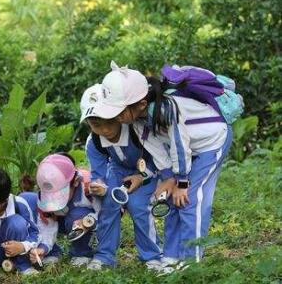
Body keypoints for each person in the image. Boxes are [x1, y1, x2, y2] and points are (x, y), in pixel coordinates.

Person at [99, 61, 233, 265]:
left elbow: (179, 145)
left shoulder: (166, 107)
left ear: (141, 104)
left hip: (211, 143)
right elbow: (157, 151)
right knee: (171, 201)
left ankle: (191, 262)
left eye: (118, 111)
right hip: (188, 151)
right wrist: (168, 177)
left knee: (190, 200)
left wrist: (181, 182)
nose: (114, 117)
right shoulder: (135, 120)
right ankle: (171, 257)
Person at [79, 84, 163, 271]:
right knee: (108, 204)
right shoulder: (94, 142)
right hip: (117, 173)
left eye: (108, 121)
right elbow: (98, 174)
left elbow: (158, 159)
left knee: (138, 206)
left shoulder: (138, 130)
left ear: (118, 115)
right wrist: (99, 185)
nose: (105, 129)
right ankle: (104, 255)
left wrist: (142, 176)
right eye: (96, 125)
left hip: (147, 173)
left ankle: (153, 256)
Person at [27, 153, 99, 268]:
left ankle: (83, 253)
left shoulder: (89, 187)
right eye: (51, 195)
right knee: (30, 204)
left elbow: (107, 214)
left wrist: (89, 221)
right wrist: (44, 248)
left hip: (86, 223)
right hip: (61, 222)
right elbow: (47, 226)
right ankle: (53, 251)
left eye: (60, 194)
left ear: (75, 182)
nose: (55, 199)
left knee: (76, 215)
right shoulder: (44, 197)